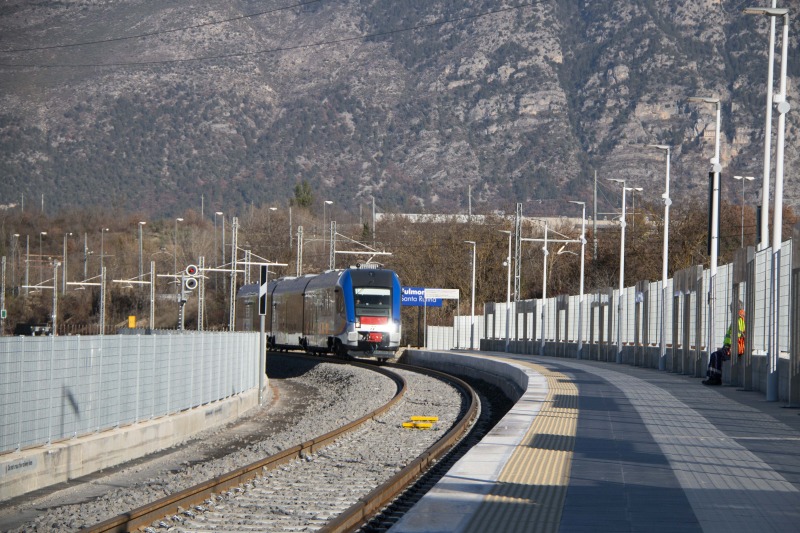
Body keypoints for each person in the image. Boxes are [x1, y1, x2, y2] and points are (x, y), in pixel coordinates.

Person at [703, 301, 745, 386]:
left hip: (733, 347)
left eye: (731, 308)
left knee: (715, 355)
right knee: (715, 355)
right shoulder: (738, 318)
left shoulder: (739, 318)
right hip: (730, 346)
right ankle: (712, 377)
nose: (730, 310)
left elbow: (739, 334)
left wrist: (731, 346)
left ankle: (715, 378)